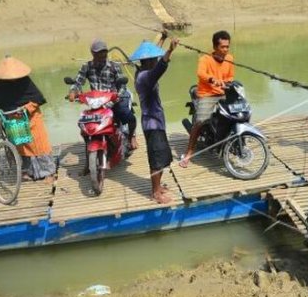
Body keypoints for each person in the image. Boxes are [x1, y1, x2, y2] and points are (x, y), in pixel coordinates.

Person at [0, 56, 54, 182]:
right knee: (20, 144)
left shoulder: (26, 82)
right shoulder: (0, 83)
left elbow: (37, 98)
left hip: (30, 118)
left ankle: (48, 173)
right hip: (12, 118)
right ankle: (28, 171)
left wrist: (26, 109)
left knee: (38, 145)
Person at [129, 32, 178, 204]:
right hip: (152, 123)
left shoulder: (142, 71)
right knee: (156, 159)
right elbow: (159, 69)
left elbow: (154, 56)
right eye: (154, 59)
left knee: (163, 156)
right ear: (149, 61)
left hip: (156, 121)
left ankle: (157, 188)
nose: (156, 60)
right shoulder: (145, 77)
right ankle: (156, 193)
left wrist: (163, 38)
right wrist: (169, 51)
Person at [68, 38, 138, 152]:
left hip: (112, 101)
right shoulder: (86, 66)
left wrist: (117, 95)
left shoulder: (114, 66)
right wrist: (73, 91)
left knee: (129, 117)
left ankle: (131, 137)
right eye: (99, 52)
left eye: (104, 51)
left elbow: (122, 86)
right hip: (96, 104)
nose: (102, 54)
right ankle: (88, 155)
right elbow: (78, 82)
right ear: (93, 53)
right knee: (82, 125)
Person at [179, 30, 234, 168]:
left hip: (223, 93)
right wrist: (213, 80)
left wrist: (227, 83)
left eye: (227, 46)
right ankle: (189, 152)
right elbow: (201, 73)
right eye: (223, 47)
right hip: (207, 94)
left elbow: (230, 77)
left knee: (237, 111)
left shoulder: (230, 59)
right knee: (201, 120)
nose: (226, 50)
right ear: (215, 47)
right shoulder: (205, 59)